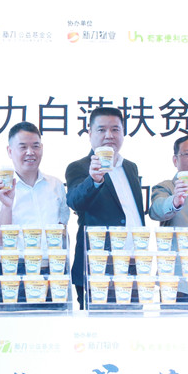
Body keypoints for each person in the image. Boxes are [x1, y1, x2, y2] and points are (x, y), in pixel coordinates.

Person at [66, 107, 145, 307]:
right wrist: (93, 180)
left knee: (134, 323)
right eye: (101, 130)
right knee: (98, 325)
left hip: (133, 264)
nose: (109, 135)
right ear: (90, 133)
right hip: (98, 265)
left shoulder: (131, 167)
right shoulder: (79, 167)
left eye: (115, 129)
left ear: (123, 132)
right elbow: (74, 201)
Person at [0, 122, 69, 242]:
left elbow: (63, 232)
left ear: (42, 148)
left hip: (52, 254)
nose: (30, 152)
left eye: (35, 146)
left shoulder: (56, 185)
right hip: (15, 255)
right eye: (23, 147)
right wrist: (7, 206)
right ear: (9, 151)